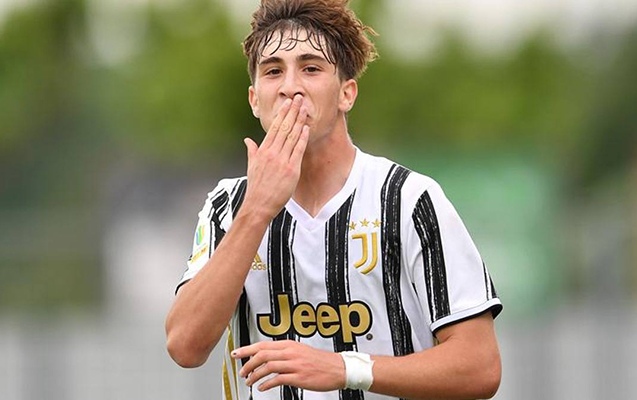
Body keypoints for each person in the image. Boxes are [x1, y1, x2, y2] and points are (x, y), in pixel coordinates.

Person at [165, 0, 503, 399]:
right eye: (273, 71)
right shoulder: (228, 205)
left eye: (310, 68)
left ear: (346, 93)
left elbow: (480, 366)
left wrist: (344, 368)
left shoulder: (409, 200)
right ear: (255, 99)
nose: (290, 87)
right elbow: (185, 345)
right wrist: (256, 211)